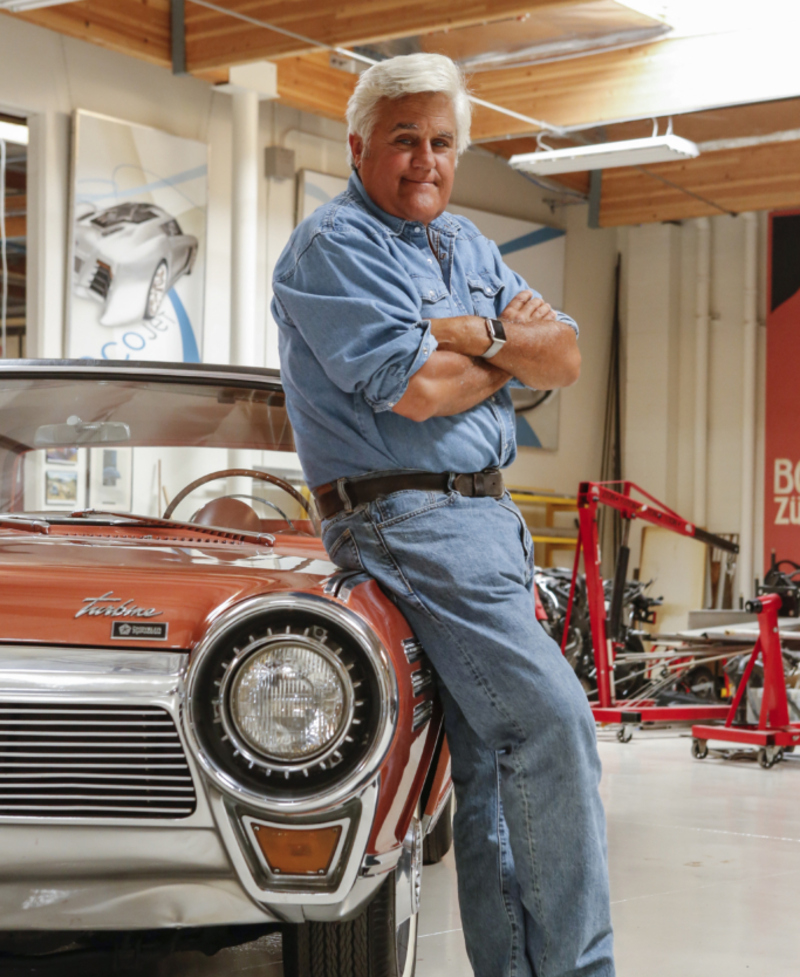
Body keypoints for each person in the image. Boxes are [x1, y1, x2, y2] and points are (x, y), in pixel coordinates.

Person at [272, 53, 615, 977]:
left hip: (488, 526)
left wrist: (472, 333)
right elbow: (418, 393)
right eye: (403, 139)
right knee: (551, 723)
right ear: (357, 146)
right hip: (403, 520)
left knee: (498, 774)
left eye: (441, 141)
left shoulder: (463, 245)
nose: (425, 159)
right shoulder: (333, 247)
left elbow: (569, 357)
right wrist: (509, 344)